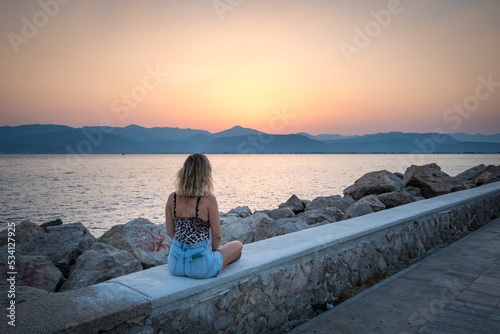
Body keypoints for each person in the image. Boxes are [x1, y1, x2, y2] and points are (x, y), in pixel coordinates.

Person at [165, 153, 243, 278]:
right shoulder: (208, 200)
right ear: (205, 175)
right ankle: (218, 260)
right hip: (200, 266)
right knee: (238, 245)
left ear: (184, 173)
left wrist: (184, 246)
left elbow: (170, 232)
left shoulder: (172, 198)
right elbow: (217, 235)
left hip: (175, 264)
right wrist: (212, 249)